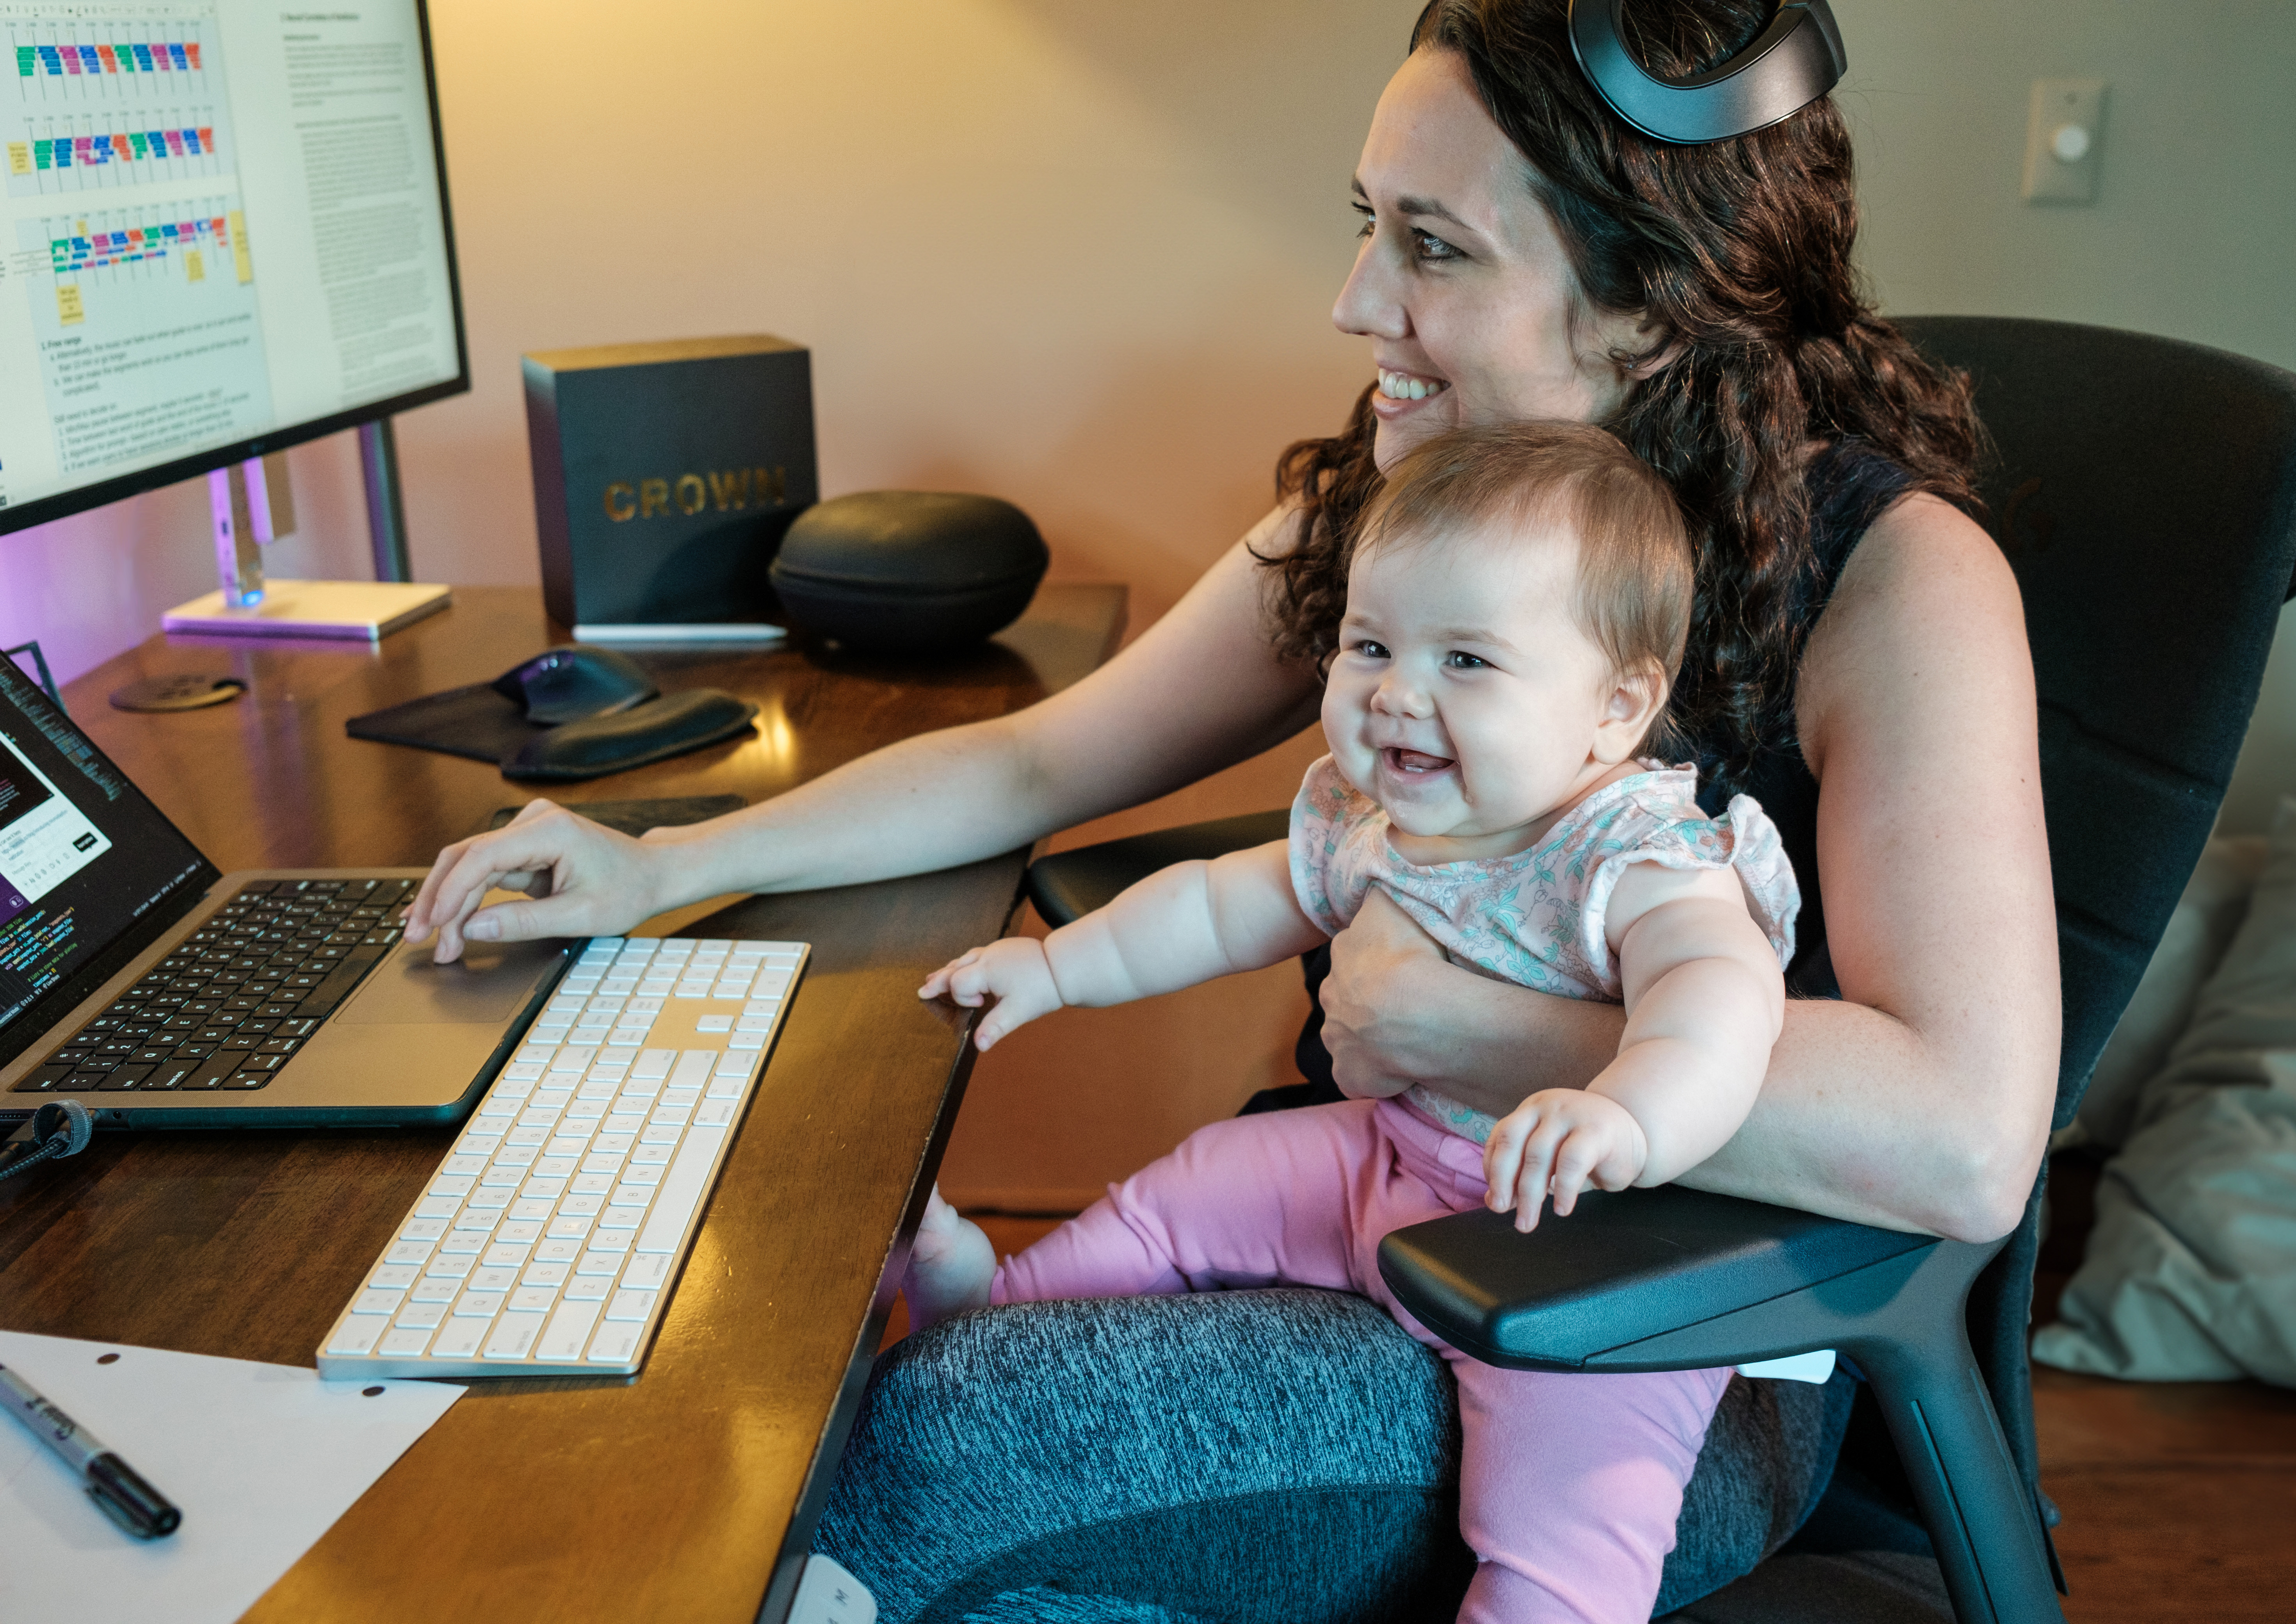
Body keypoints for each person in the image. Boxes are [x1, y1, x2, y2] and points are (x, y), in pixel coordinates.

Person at [404, 0, 2058, 1612]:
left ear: (1651, 299)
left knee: (921, 1453)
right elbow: (1040, 763)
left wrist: (1469, 1029)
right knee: (892, 1424)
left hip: (1645, 1340)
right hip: (1361, 1208)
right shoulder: (1415, 508)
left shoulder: (1895, 580)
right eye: (1367, 224)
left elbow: (1963, 1138)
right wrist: (664, 864)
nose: (1356, 301)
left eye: (1433, 247)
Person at [909, 421, 1798, 1621]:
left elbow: (1721, 1001)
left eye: (1467, 661)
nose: (1397, 693)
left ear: (1616, 707)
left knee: (1559, 1532)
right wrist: (1056, 969)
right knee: (1184, 1192)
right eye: (1372, 644)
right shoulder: (1371, 817)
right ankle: (992, 1315)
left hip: (1589, 1247)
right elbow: (1220, 907)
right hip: (1388, 1160)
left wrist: (1630, 1119)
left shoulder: (1633, 852)